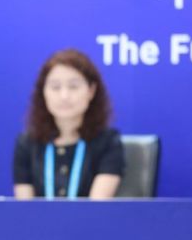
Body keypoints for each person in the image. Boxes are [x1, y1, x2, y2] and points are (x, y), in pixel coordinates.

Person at [13, 49, 124, 200]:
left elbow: (97, 208)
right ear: (43, 92)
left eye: (73, 86)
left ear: (91, 91)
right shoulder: (27, 143)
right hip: (38, 223)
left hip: (89, 223)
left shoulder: (108, 142)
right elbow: (25, 208)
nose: (64, 96)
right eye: (55, 87)